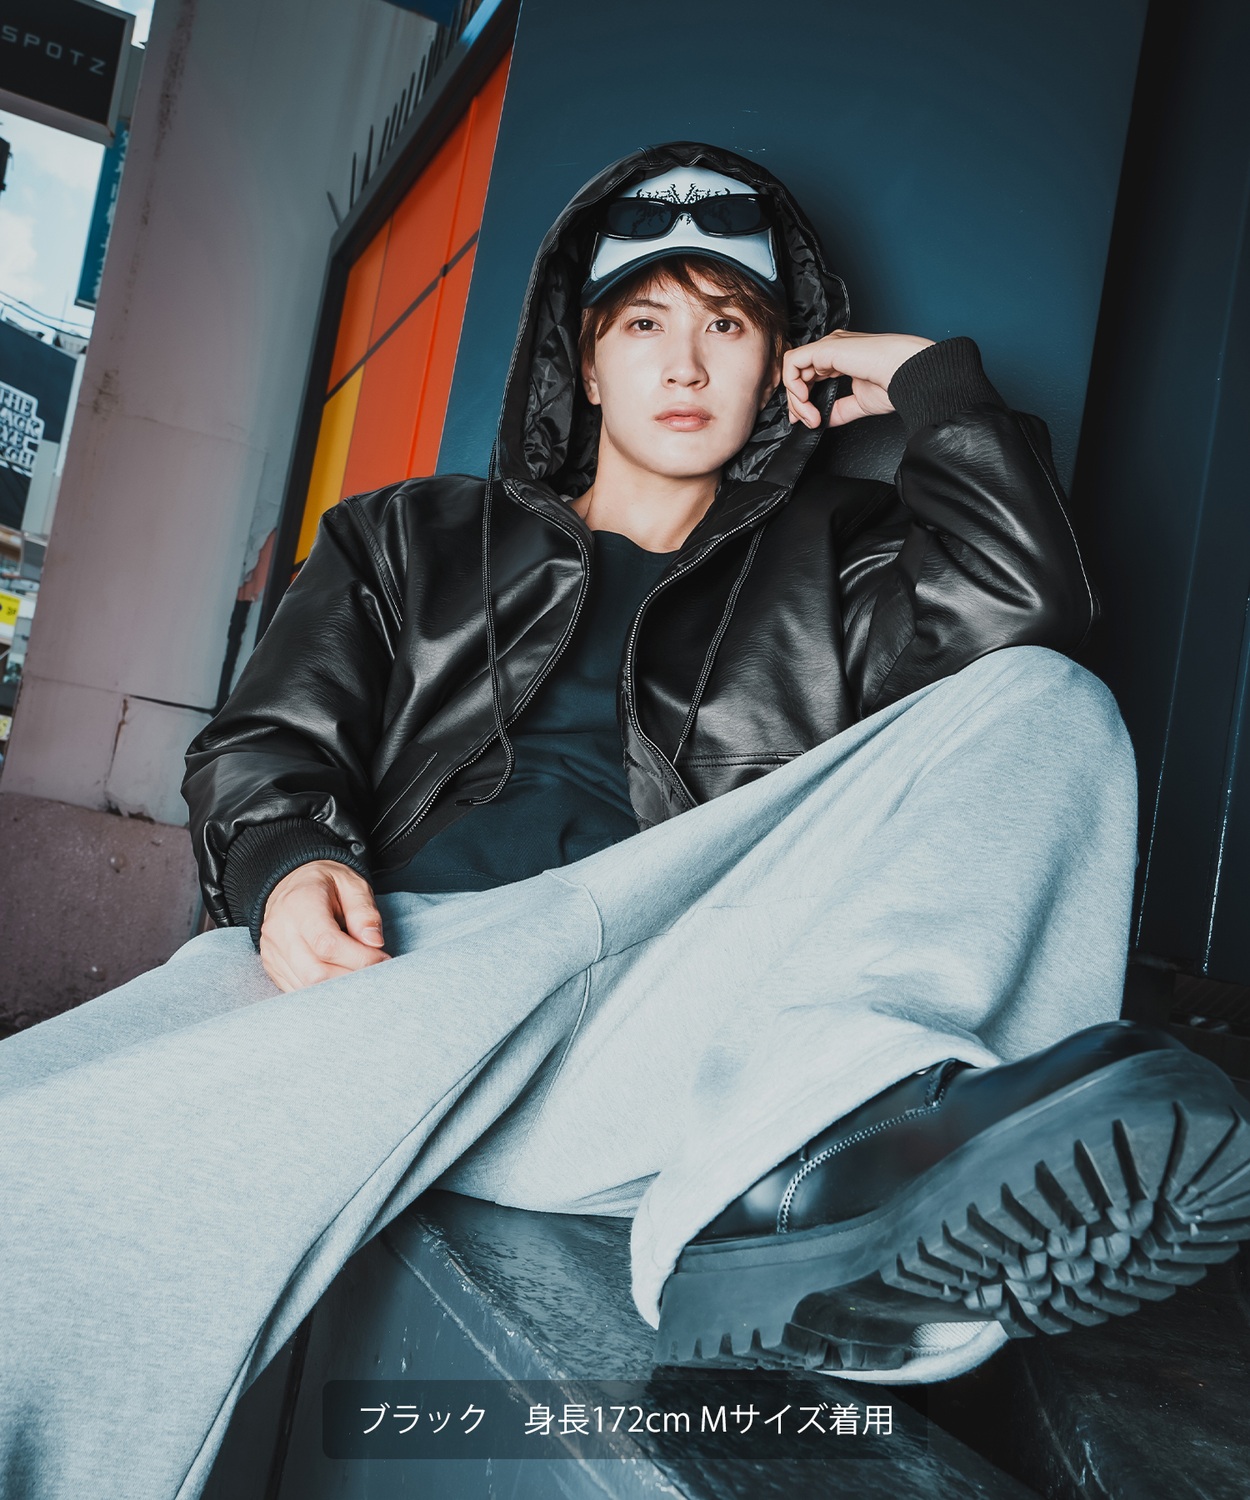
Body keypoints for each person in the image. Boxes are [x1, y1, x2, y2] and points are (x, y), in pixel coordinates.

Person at [2, 141, 1247, 1498]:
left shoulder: (847, 558)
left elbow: (1029, 609)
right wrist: (288, 860)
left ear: (782, 367)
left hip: (683, 1018)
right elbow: (267, 741)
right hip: (416, 977)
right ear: (583, 363)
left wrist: (933, 386)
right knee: (35, 1173)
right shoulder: (405, 536)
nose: (686, 364)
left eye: (730, 325)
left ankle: (812, 1166)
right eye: (644, 324)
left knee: (1052, 702)